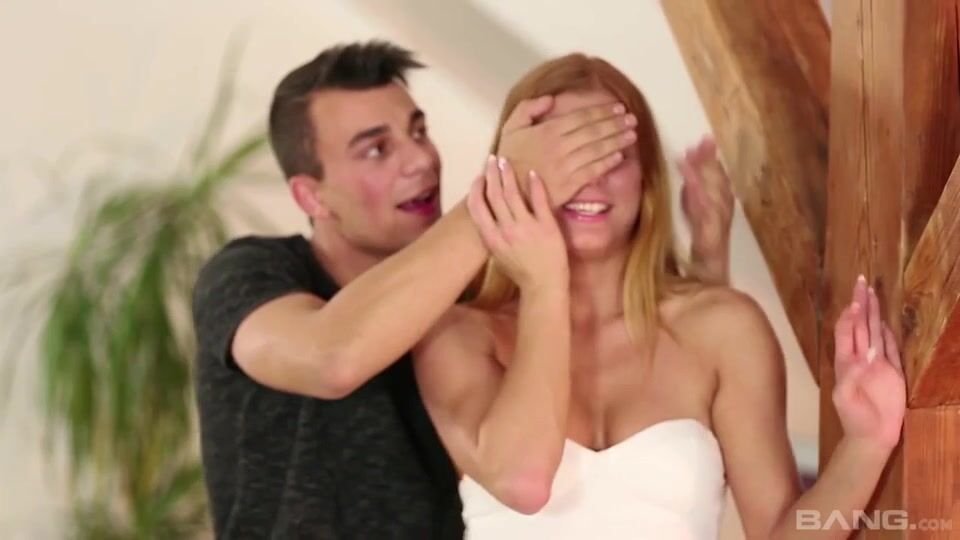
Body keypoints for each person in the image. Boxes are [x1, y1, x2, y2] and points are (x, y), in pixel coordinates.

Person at [191, 42, 733, 538]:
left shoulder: (479, 301)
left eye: (418, 131)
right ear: (312, 198)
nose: (421, 160)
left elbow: (657, 384)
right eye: (377, 150)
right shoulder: (251, 274)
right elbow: (333, 356)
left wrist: (709, 264)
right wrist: (505, 190)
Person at [413, 53, 906, 539]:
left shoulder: (725, 328)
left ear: (646, 177)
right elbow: (521, 478)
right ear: (512, 172)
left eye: (614, 153)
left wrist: (867, 443)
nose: (591, 176)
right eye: (567, 154)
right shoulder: (456, 336)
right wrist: (545, 282)